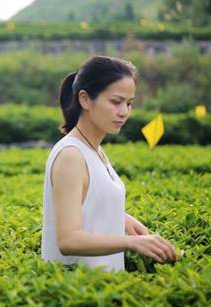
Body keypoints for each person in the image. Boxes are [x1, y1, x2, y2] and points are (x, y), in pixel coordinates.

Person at [41, 55, 178, 272]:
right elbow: (68, 241)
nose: (124, 112)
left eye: (129, 103)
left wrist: (120, 217)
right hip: (77, 290)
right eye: (116, 102)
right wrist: (132, 242)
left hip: (101, 285)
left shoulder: (95, 149)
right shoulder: (71, 155)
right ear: (85, 99)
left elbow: (86, 201)